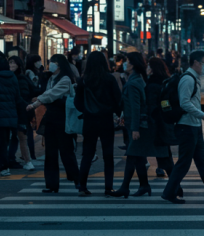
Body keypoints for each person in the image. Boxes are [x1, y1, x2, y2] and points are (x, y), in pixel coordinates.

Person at [160, 50, 204, 204]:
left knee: (203, 161)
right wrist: (203, 115)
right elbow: (185, 103)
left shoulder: (194, 78)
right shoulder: (188, 79)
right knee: (184, 162)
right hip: (186, 126)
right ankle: (169, 192)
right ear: (196, 62)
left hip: (194, 126)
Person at [27, 54, 81, 193]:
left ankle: (78, 180)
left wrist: (35, 103)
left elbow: (51, 94)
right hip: (51, 117)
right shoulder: (51, 78)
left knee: (66, 152)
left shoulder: (65, 79)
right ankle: (51, 184)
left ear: (59, 64)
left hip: (63, 118)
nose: (50, 65)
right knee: (50, 153)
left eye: (53, 62)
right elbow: (48, 94)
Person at [75, 52, 122, 196]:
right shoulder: (109, 79)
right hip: (106, 119)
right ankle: (108, 187)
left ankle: (82, 186)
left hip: (89, 120)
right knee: (108, 155)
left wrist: (86, 110)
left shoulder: (83, 80)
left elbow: (77, 102)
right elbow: (118, 100)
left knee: (87, 154)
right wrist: (115, 113)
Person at [111, 52, 156, 197]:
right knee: (138, 157)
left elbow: (136, 107)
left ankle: (126, 187)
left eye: (127, 61)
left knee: (132, 155)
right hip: (136, 123)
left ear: (133, 64)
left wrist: (135, 128)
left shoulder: (133, 82)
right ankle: (144, 185)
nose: (124, 64)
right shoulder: (138, 79)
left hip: (135, 125)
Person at [146, 58, 177, 186]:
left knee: (164, 154)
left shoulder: (152, 84)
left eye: (148, 66)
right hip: (164, 121)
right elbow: (165, 104)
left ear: (152, 69)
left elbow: (152, 105)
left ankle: (175, 185)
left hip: (156, 123)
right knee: (164, 152)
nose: (146, 68)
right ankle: (174, 183)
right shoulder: (165, 81)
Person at [7, 55, 37, 170]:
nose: (11, 65)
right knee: (17, 137)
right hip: (15, 112)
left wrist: (26, 105)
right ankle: (13, 159)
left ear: (19, 65)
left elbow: (23, 96)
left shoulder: (20, 79)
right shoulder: (13, 78)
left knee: (22, 137)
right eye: (10, 63)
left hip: (20, 112)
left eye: (14, 63)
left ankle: (28, 161)